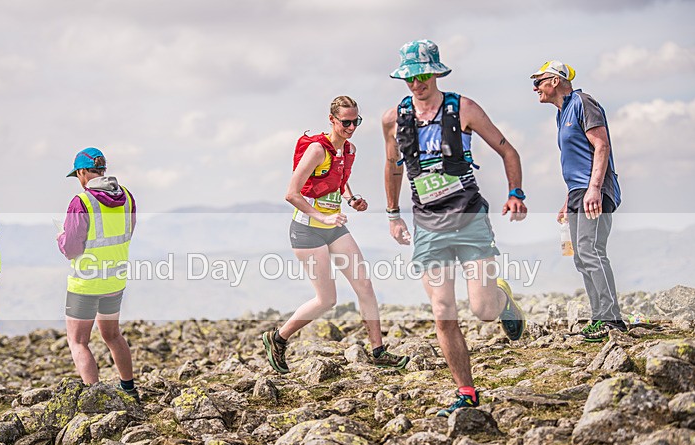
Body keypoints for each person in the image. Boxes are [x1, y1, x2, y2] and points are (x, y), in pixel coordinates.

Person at [382, 40, 527, 417]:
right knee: (443, 310)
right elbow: (393, 167)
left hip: (469, 218)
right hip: (428, 225)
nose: (416, 83)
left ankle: (502, 298)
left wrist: (515, 192)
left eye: (423, 75)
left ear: (436, 72)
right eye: (410, 77)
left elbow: (508, 150)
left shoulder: (463, 108)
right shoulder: (393, 119)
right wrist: (393, 214)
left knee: (483, 311)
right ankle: (467, 392)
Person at [262, 96, 411, 374]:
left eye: (356, 121)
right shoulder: (318, 150)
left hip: (334, 228)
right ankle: (278, 338)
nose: (351, 127)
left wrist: (352, 199)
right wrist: (322, 216)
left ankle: (378, 351)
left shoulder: (348, 150)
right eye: (345, 122)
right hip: (307, 230)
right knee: (327, 300)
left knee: (364, 286)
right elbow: (291, 193)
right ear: (332, 120)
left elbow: (337, 181)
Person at [531, 60, 625, 341]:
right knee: (581, 257)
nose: (535, 86)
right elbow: (576, 160)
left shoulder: (583, 102)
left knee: (591, 251)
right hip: (577, 192)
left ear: (556, 81)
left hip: (593, 190)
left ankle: (611, 320)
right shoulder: (561, 113)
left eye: (539, 80)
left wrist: (594, 188)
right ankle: (600, 317)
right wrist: (568, 197)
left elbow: (601, 145)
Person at [57, 147, 139, 401]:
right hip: (115, 279)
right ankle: (129, 389)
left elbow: (71, 249)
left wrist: (60, 238)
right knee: (112, 335)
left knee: (78, 340)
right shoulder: (127, 196)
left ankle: (97, 397)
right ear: (103, 170)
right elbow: (128, 231)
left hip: (86, 283)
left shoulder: (81, 202)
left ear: (82, 172)